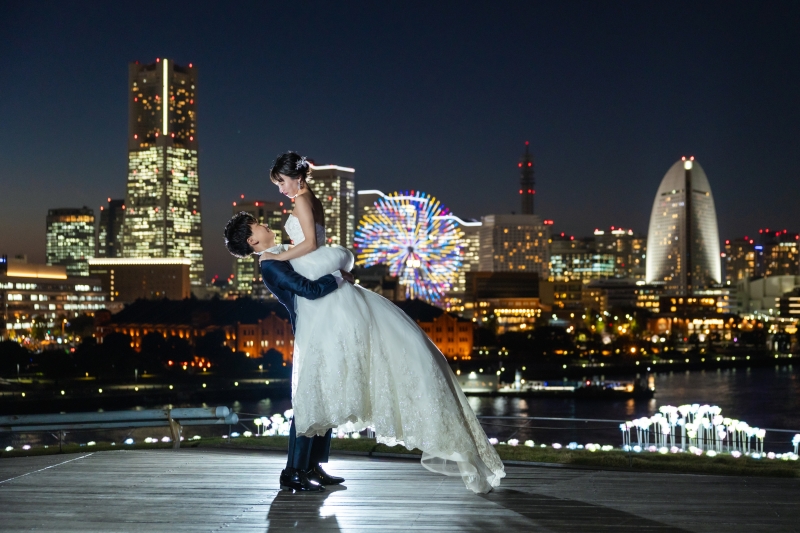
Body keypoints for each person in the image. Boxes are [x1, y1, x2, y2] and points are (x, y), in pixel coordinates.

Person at [261, 151, 506, 493]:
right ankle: (308, 467)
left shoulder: (301, 200)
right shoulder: (310, 199)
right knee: (323, 386)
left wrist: (278, 256)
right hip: (326, 287)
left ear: (297, 178)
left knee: (319, 385)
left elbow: (312, 244)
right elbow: (315, 244)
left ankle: (304, 468)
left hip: (323, 299)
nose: (281, 189)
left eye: (282, 182)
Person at [224, 212, 353, 492]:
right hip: (311, 332)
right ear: (252, 240)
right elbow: (308, 289)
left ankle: (311, 466)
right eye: (257, 224)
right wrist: (337, 277)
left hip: (321, 326)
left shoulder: (281, 254)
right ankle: (293, 471)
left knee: (323, 398)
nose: (264, 223)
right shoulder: (270, 264)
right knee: (309, 401)